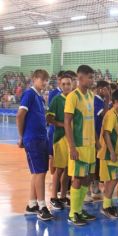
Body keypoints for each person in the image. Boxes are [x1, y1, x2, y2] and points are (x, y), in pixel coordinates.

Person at [16, 69, 54, 221]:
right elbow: (20, 115)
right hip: (32, 139)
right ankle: (42, 206)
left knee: (38, 172)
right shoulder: (29, 94)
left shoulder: (40, 98)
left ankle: (32, 205)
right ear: (34, 79)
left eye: (46, 80)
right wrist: (22, 136)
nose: (44, 83)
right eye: (41, 79)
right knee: (40, 173)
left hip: (41, 138)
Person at [64, 65, 98, 225]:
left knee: (87, 178)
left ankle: (79, 209)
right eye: (89, 77)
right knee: (77, 178)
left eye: (92, 77)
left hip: (90, 146)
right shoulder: (73, 96)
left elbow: (91, 120)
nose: (92, 80)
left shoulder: (91, 95)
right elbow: (67, 123)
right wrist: (71, 146)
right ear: (80, 77)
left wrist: (96, 139)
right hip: (78, 145)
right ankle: (73, 213)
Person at [97, 89, 118, 219]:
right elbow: (106, 134)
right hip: (108, 154)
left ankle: (108, 204)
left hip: (115, 153)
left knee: (113, 179)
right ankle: (106, 207)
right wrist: (111, 152)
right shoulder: (111, 115)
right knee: (112, 179)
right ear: (116, 102)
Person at [47, 73, 73, 210]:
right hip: (60, 138)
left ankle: (63, 196)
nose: (66, 86)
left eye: (68, 83)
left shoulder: (75, 98)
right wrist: (63, 125)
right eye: (63, 84)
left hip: (72, 139)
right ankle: (53, 197)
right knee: (59, 169)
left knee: (68, 170)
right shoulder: (57, 100)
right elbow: (49, 118)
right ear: (60, 85)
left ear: (72, 84)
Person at [92, 80, 111, 200]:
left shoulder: (102, 101)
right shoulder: (96, 100)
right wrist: (108, 99)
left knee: (99, 161)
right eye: (107, 89)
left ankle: (98, 183)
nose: (109, 91)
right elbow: (105, 114)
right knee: (95, 162)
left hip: (102, 136)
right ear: (100, 89)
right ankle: (94, 184)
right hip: (96, 136)